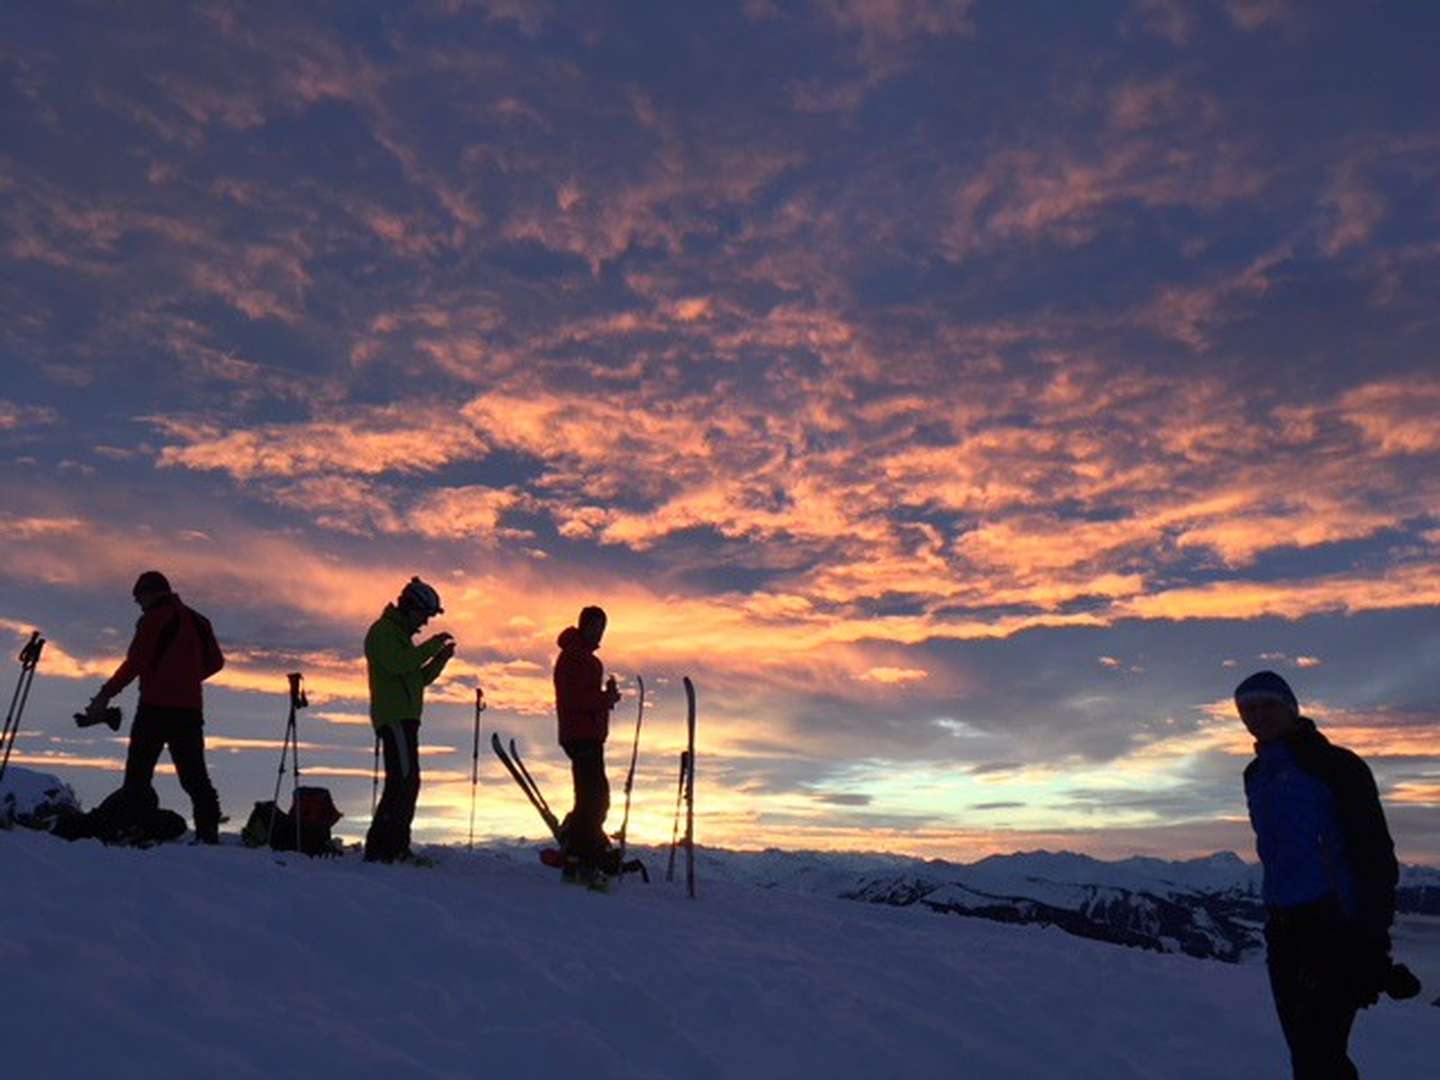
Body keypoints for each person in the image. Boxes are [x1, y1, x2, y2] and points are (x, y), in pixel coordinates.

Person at [1238, 670, 1400, 1080]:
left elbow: (1374, 855)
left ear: (1292, 709)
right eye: (1247, 708)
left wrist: (1371, 941)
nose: (1257, 715)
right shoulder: (1255, 775)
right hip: (1282, 928)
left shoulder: (1336, 766)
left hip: (1331, 925)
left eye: (1267, 704)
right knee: (1305, 1052)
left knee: (1321, 1056)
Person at [83, 571, 226, 843]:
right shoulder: (199, 621)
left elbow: (134, 663)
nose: (138, 604)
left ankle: (130, 828)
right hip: (190, 711)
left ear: (150, 593)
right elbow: (217, 663)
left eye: (139, 598)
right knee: (195, 777)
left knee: (138, 775)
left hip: (154, 709)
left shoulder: (152, 620)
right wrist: (187, 678)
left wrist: (105, 694)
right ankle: (208, 836)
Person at [364, 576, 454, 863]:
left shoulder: (401, 639)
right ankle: (389, 848)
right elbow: (398, 664)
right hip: (394, 718)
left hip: (406, 719)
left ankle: (387, 847)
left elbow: (417, 678)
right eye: (424, 615)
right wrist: (430, 647)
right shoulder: (383, 633)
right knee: (403, 781)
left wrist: (439, 660)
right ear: (410, 607)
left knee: (405, 781)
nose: (424, 623)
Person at [553, 605, 622, 882]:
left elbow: (584, 697)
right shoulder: (574, 657)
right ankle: (580, 855)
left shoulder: (584, 658)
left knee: (593, 798)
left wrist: (607, 697)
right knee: (594, 799)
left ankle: (580, 845)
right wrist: (606, 700)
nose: (598, 633)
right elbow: (575, 699)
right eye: (594, 627)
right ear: (584, 626)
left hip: (588, 735)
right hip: (580, 735)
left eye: (601, 628)